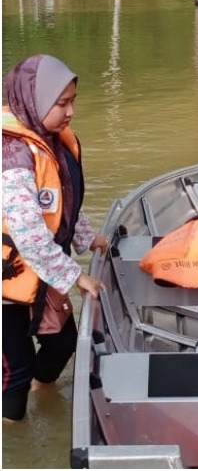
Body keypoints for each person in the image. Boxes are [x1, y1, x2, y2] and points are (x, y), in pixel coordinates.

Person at [2, 55, 108, 422]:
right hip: (7, 283)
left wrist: (87, 236)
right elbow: (30, 234)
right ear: (33, 101)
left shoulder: (54, 142)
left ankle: (43, 393)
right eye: (61, 103)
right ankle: (14, 435)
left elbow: (62, 204)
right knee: (15, 372)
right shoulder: (12, 155)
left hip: (44, 272)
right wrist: (77, 276)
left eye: (72, 101)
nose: (71, 112)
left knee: (62, 344)